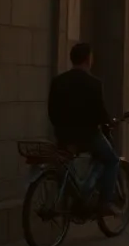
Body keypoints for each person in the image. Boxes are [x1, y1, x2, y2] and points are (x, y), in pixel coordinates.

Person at [47, 42, 118, 215]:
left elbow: (52, 110)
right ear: (88, 59)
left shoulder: (58, 81)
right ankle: (105, 202)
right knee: (112, 160)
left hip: (63, 135)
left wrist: (61, 129)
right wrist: (109, 121)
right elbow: (99, 111)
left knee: (67, 164)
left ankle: (76, 195)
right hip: (87, 136)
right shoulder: (94, 83)